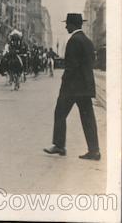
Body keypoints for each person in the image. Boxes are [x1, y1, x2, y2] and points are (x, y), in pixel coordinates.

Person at [44, 13, 100, 160]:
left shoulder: (74, 41)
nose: (66, 26)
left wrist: (64, 83)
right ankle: (94, 150)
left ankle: (59, 145)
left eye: (67, 24)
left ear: (73, 25)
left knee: (60, 113)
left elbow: (72, 66)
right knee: (88, 118)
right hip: (85, 87)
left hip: (72, 87)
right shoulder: (87, 41)